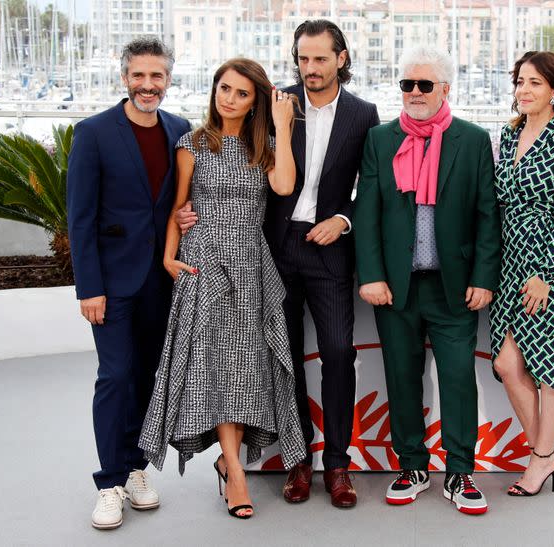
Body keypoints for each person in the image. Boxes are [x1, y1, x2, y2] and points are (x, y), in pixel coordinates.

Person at [178, 19, 380, 508]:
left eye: (319, 59)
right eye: (302, 59)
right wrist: (194, 211)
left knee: (337, 354)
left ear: (342, 59)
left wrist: (343, 219)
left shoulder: (364, 114)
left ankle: (337, 464)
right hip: (268, 249)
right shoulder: (272, 103)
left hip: (329, 248)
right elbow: (226, 154)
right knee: (281, 358)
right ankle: (296, 461)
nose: (309, 69)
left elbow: (370, 189)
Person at [137, 58, 306, 520]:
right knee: (212, 367)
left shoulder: (266, 148)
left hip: (250, 266)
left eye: (241, 93)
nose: (229, 98)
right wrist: (170, 257)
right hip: (203, 262)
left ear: (255, 103)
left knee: (241, 370)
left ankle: (229, 462)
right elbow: (179, 205)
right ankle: (235, 471)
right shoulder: (192, 142)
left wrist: (282, 127)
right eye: (223, 89)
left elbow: (286, 185)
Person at [353, 45, 501, 515]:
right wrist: (372, 275)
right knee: (401, 376)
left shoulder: (473, 140)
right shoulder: (380, 139)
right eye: (407, 84)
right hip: (396, 286)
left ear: (445, 89)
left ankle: (460, 472)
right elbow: (368, 212)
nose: (414, 93)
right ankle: (412, 466)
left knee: (459, 379)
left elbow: (486, 215)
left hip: (453, 285)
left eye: (424, 84)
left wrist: (483, 276)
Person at [67, 36, 191, 531]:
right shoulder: (94, 133)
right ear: (124, 77)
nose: (147, 85)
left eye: (156, 76)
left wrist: (186, 216)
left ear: (167, 79)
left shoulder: (179, 130)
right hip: (112, 282)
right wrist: (88, 287)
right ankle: (108, 482)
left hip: (161, 280)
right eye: (138, 75)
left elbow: (178, 201)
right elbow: (80, 218)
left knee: (147, 377)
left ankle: (138, 467)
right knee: (115, 376)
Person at [490, 51, 554, 497]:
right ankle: (545, 453)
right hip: (510, 264)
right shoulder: (510, 136)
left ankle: (539, 459)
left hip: (551, 268)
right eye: (520, 82)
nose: (524, 90)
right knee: (507, 364)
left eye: (534, 82)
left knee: (550, 368)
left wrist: (546, 274)